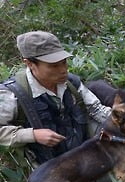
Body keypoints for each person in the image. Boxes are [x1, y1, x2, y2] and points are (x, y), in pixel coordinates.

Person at [0, 31, 111, 166]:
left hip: (82, 153)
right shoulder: (13, 94)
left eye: (64, 62)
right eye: (53, 66)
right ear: (29, 63)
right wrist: (33, 135)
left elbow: (96, 109)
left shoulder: (71, 83)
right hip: (47, 169)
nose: (63, 70)